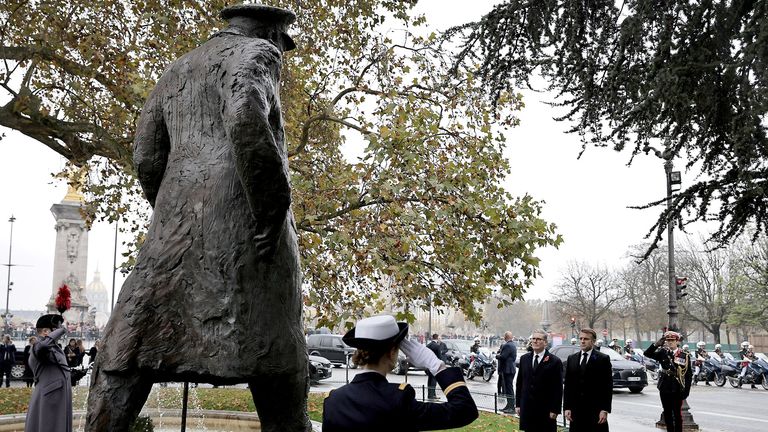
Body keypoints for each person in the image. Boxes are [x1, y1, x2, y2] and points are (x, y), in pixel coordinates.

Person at [87, 5, 310, 431]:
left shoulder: (177, 69)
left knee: (128, 351)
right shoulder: (259, 53)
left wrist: (172, 210)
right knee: (279, 361)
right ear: (271, 35)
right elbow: (246, 116)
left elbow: (146, 156)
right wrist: (270, 207)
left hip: (173, 229)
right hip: (245, 223)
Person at [322, 315, 478, 431]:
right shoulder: (398, 399)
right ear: (392, 353)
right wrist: (436, 365)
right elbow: (464, 410)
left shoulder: (333, 400)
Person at [25, 314, 72, 432]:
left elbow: (57, 370)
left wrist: (74, 374)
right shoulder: (37, 347)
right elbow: (43, 346)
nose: (58, 333)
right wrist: (61, 330)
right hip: (49, 400)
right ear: (46, 331)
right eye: (54, 330)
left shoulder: (55, 348)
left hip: (59, 399)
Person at [564, 328, 612, 432]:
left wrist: (604, 409)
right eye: (580, 338)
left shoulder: (602, 359)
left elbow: (607, 386)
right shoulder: (571, 358)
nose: (582, 341)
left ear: (593, 341)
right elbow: (568, 385)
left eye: (586, 339)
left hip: (595, 411)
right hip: (576, 412)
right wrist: (567, 407)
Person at [644, 331, 692, 432]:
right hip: (664, 386)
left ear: (677, 341)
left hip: (677, 387)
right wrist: (656, 344)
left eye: (672, 340)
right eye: (668, 340)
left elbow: (688, 375)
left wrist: (686, 391)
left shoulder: (684, 355)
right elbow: (647, 353)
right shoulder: (663, 353)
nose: (670, 342)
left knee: (677, 414)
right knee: (667, 413)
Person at [515, 330, 563, 432]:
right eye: (533, 339)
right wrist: (518, 404)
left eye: (538, 339)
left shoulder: (555, 361)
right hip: (527, 408)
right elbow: (520, 383)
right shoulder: (524, 359)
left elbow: (558, 388)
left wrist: (555, 409)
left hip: (545, 410)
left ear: (545, 342)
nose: (535, 341)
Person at [496, 331, 517, 413]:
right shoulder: (513, 345)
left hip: (507, 369)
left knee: (509, 388)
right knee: (509, 388)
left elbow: (503, 357)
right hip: (511, 368)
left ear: (506, 337)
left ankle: (511, 407)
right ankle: (509, 405)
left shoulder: (507, 345)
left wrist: (497, 355)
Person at [426, 333, 448, 400]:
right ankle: (432, 395)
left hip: (429, 364)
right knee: (433, 380)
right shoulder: (437, 346)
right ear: (437, 337)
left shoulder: (428, 345)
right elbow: (439, 357)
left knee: (429, 380)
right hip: (435, 365)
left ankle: (430, 394)